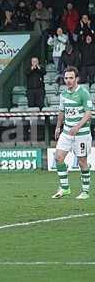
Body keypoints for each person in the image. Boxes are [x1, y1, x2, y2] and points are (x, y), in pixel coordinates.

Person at [52, 66, 92, 200]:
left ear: (77, 79)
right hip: (67, 132)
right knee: (58, 157)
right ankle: (65, 188)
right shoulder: (63, 94)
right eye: (66, 78)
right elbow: (62, 112)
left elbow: (88, 114)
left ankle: (85, 191)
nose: (68, 80)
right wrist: (58, 127)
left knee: (82, 162)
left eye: (71, 78)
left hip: (82, 133)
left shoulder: (83, 93)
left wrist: (77, 126)